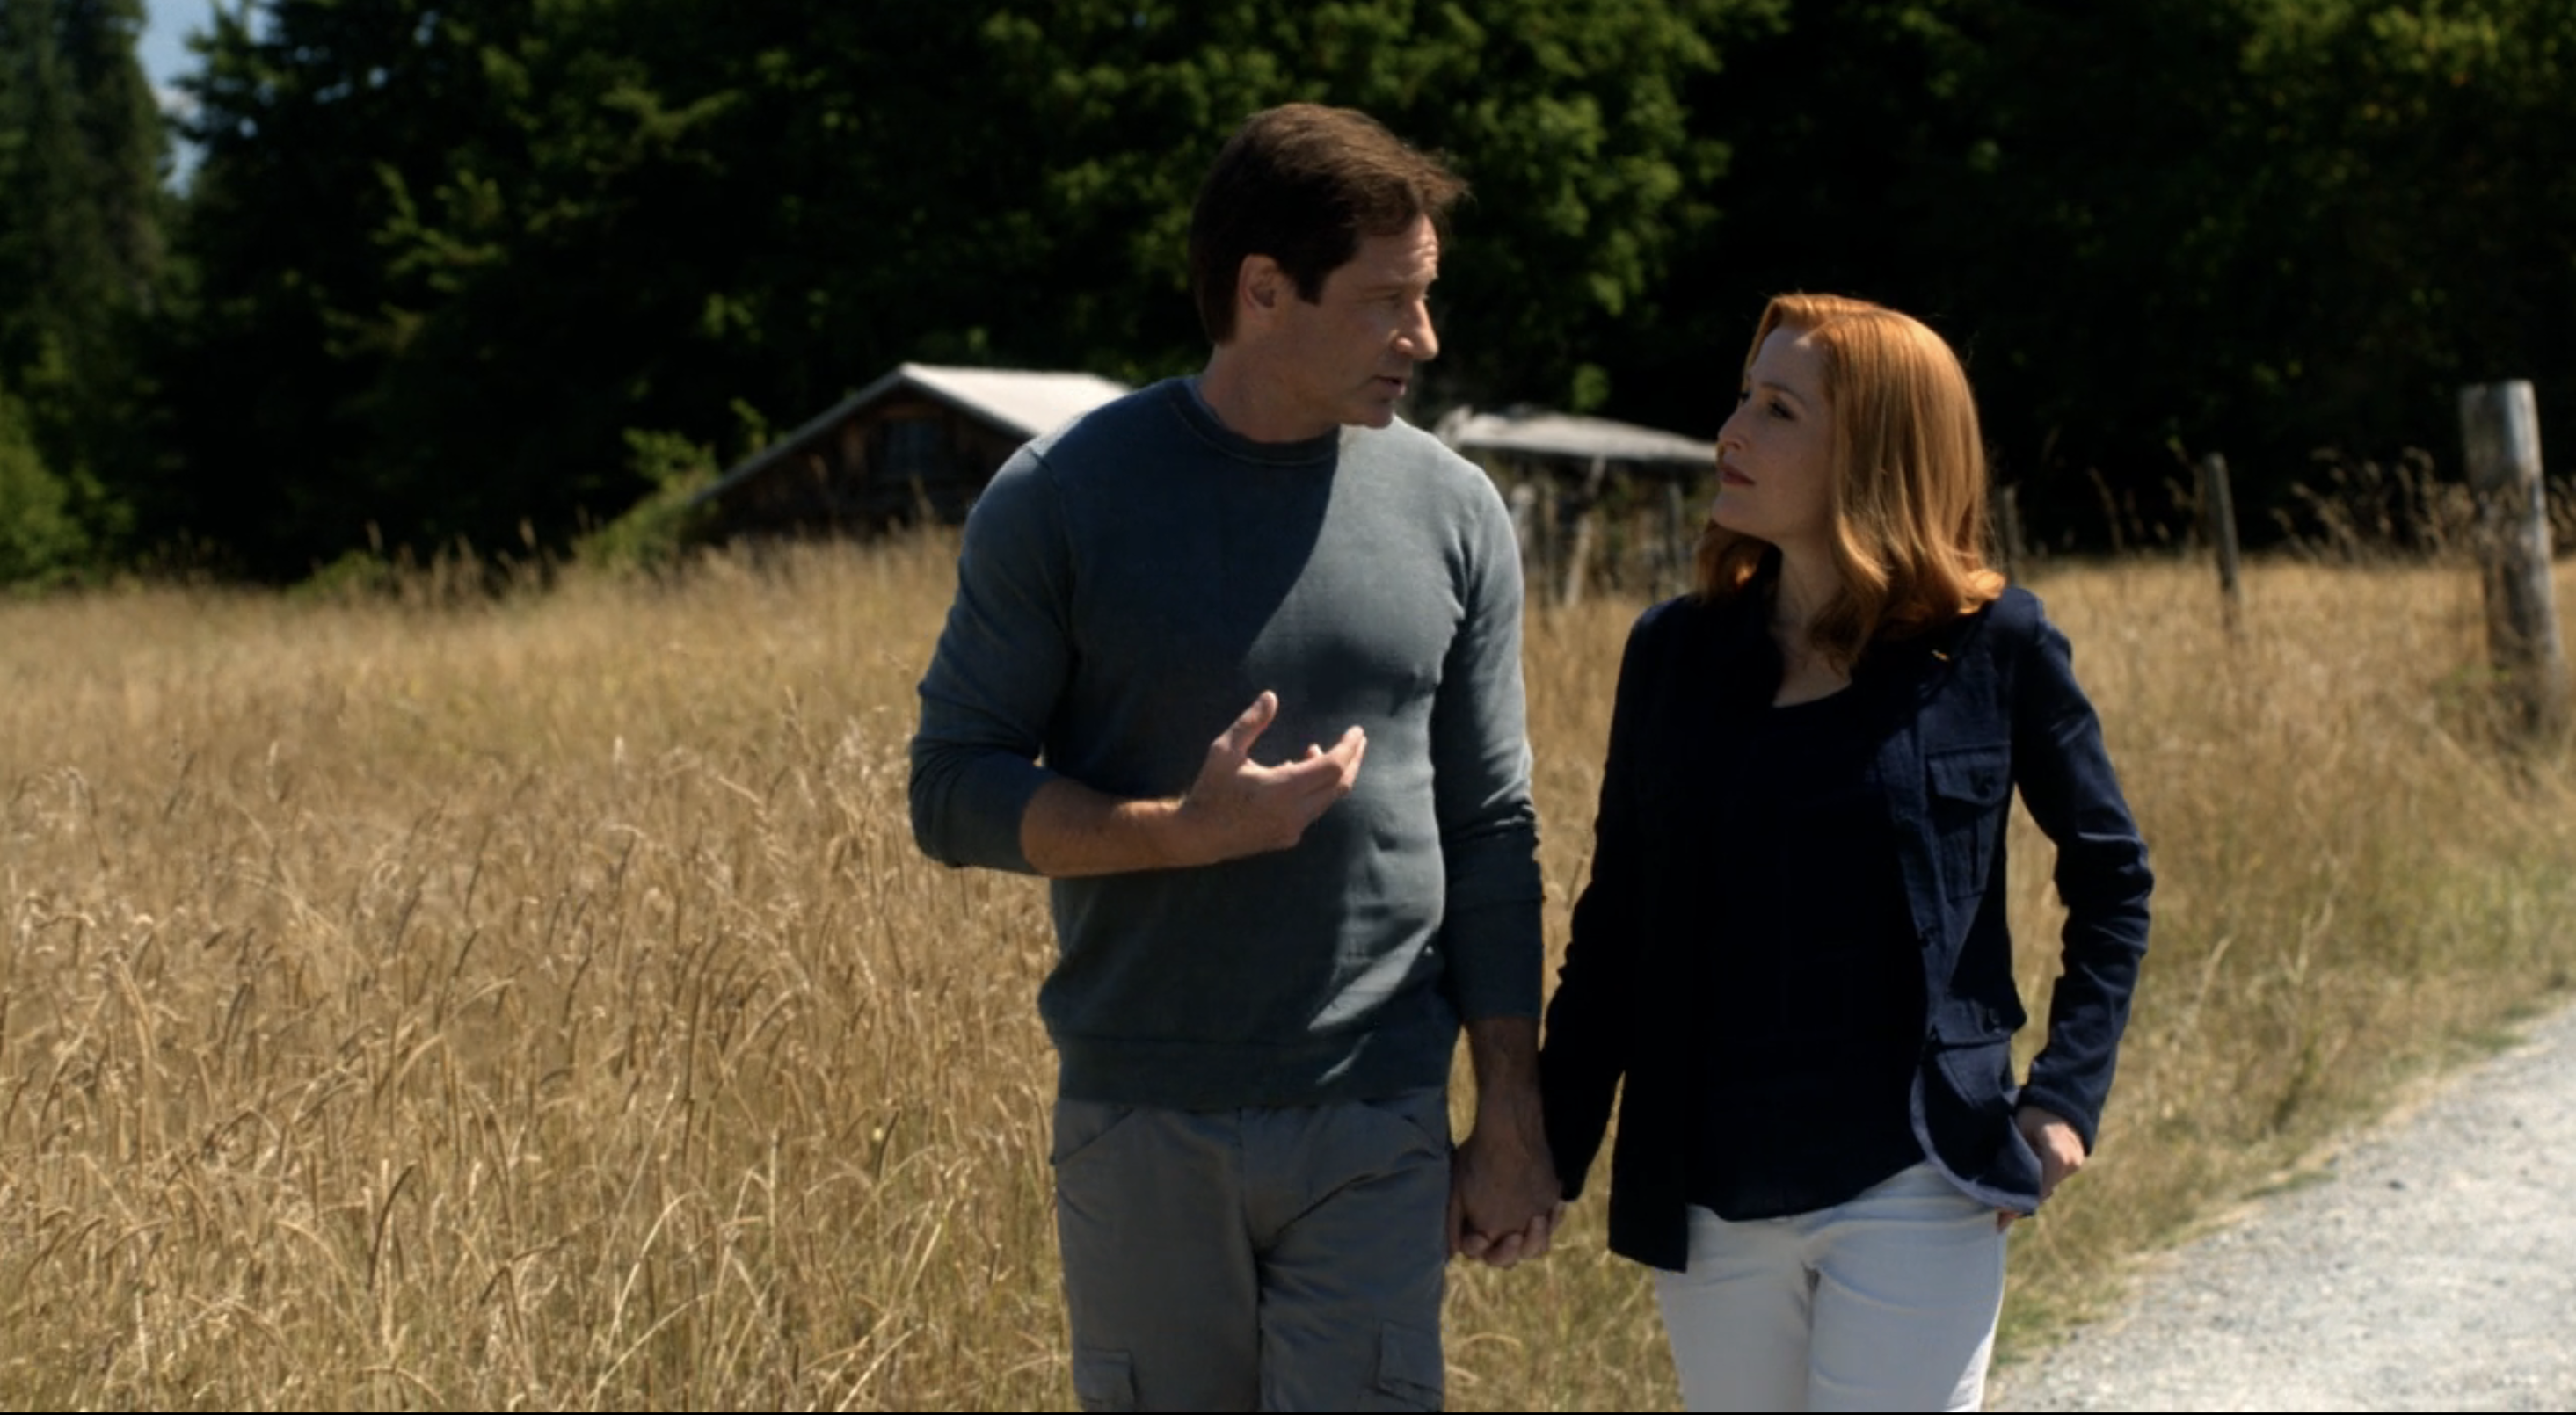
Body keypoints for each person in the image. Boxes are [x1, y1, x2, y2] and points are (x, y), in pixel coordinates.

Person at [908, 103, 1561, 1413]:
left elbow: (1492, 825)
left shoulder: (1454, 510)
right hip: (1141, 1115)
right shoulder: (1061, 498)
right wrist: (1173, 831)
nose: (1421, 339)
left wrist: (1507, 1110)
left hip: (1375, 1111)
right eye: (1389, 302)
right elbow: (951, 786)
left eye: (1423, 298)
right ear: (1264, 291)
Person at [1538, 293, 2153, 1412]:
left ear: (1874, 455)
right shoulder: (1672, 653)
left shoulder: (1993, 642)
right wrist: (1545, 1144)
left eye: (1777, 410)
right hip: (1710, 1185)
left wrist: (2062, 1096)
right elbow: (1616, 916)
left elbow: (2111, 872)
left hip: (1918, 1168)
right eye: (1741, 396)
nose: (1731, 432)